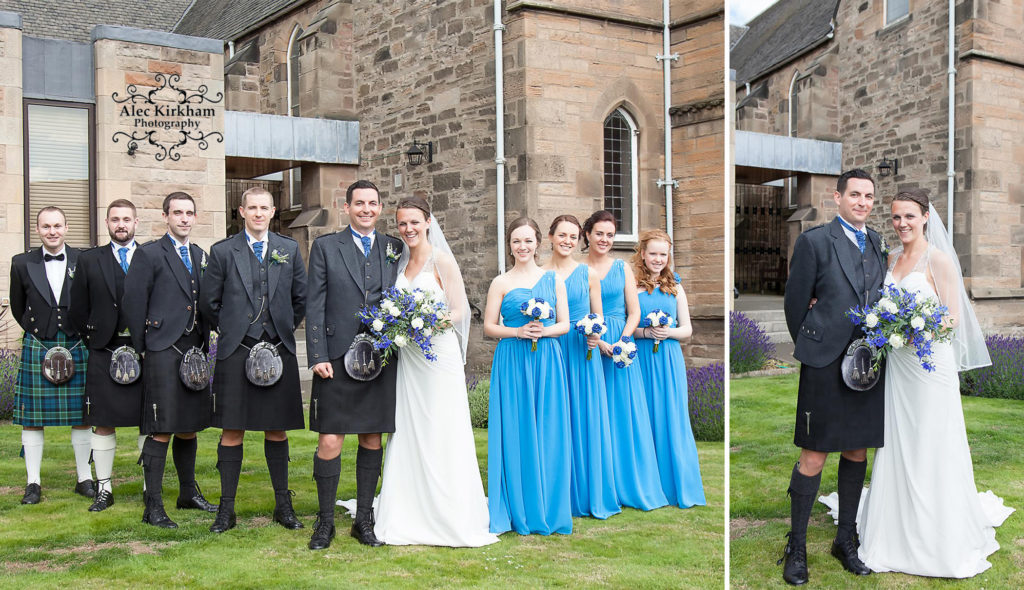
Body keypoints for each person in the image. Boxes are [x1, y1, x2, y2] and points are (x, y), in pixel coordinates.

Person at [822, 189, 1014, 577]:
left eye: (909, 216)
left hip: (929, 368)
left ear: (925, 217)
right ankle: (894, 523)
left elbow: (953, 317)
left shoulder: (939, 260)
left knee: (931, 440)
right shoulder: (888, 258)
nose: (902, 224)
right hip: (897, 369)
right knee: (897, 440)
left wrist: (917, 329)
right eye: (895, 217)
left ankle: (937, 532)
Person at [365, 195, 497, 547]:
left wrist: (427, 321)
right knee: (409, 427)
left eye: (414, 222)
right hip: (409, 360)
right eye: (402, 223)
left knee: (441, 426)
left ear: (428, 222)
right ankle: (408, 506)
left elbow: (460, 311)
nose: (408, 229)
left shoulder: (442, 261)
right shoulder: (399, 262)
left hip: (437, 357)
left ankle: (448, 510)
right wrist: (400, 324)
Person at [779, 169, 886, 585]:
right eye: (854, 194)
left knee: (857, 451)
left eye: (868, 196)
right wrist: (815, 343)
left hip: (867, 363)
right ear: (837, 197)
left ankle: (845, 539)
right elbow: (794, 305)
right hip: (824, 362)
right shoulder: (814, 241)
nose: (862, 202)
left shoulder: (877, 242)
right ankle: (797, 547)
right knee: (814, 453)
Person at [305, 179, 405, 550]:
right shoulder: (326, 247)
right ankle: (325, 522)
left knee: (371, 437)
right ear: (346, 207)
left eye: (372, 203)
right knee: (330, 438)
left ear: (380, 208)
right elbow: (314, 303)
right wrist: (317, 355)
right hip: (335, 356)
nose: (366, 209)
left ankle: (363, 520)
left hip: (379, 358)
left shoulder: (394, 247)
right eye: (359, 203)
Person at [200, 187, 307, 533]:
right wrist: (234, 332)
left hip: (278, 349)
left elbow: (300, 298)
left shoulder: (288, 249)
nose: (259, 213)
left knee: (276, 430)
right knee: (232, 430)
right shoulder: (222, 251)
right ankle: (226, 510)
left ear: (273, 211)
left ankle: (283, 506)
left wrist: (280, 329)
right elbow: (208, 303)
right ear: (242, 211)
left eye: (265, 208)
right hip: (236, 351)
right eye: (253, 208)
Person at [123, 192, 218, 529]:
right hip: (163, 349)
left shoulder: (199, 254)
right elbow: (133, 304)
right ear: (165, 216)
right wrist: (146, 347)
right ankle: (153, 506)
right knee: (162, 427)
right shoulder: (149, 253)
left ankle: (187, 493)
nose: (184, 218)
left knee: (189, 427)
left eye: (189, 213)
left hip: (194, 349)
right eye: (177, 213)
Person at [484, 217, 572, 535]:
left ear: (538, 243)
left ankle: (547, 503)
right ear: (510, 246)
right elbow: (489, 327)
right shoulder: (501, 282)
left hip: (547, 359)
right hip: (512, 359)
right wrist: (518, 331)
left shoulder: (553, 279)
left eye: (528, 240)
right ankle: (515, 503)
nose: (522, 247)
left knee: (548, 428)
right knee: (516, 427)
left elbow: (566, 323)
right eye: (516, 241)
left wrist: (543, 330)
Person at [583, 210, 668, 512]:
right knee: (594, 415)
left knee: (623, 415)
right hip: (590, 344)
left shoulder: (622, 268)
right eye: (599, 233)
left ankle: (628, 483)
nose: (604, 239)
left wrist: (622, 340)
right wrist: (600, 340)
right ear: (588, 234)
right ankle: (599, 484)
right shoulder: (579, 269)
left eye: (610, 234)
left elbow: (634, 311)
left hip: (621, 344)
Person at [10, 207, 94, 504]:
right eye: (46, 226)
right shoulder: (21, 263)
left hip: (75, 342)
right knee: (32, 419)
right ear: (38, 229)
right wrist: (39, 331)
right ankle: (33, 482)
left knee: (82, 416)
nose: (52, 231)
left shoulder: (84, 259)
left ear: (66, 227)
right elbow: (18, 306)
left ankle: (84, 478)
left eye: (57, 225)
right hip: (39, 342)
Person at [541, 215, 620, 520]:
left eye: (573, 237)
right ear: (550, 237)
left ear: (578, 240)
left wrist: (596, 337)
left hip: (582, 352)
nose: (567, 241)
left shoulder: (588, 274)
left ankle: (588, 491)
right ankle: (557, 490)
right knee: (555, 417)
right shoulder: (540, 274)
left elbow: (597, 316)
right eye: (562, 235)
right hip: (553, 349)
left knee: (585, 418)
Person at [68, 199, 145, 511]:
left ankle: (147, 487)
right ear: (107, 223)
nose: (121, 224)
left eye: (126, 218)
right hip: (104, 348)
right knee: (102, 422)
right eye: (115, 219)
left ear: (136, 222)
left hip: (144, 350)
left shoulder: (151, 256)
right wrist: (95, 341)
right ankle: (104, 489)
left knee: (148, 422)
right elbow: (77, 308)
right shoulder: (89, 260)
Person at [630, 229, 706, 509]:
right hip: (640, 360)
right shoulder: (633, 285)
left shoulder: (676, 286)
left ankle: (677, 486)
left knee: (671, 417)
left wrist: (667, 332)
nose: (658, 259)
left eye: (663, 254)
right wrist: (645, 333)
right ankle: (648, 485)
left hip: (669, 359)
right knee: (644, 418)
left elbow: (687, 329)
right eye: (653, 253)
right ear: (642, 254)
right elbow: (627, 326)